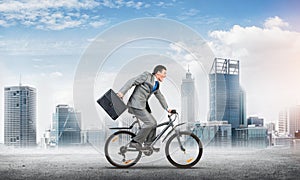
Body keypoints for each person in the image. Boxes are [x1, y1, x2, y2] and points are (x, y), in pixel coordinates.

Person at [117, 65, 173, 150]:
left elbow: (160, 97)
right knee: (150, 123)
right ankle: (135, 142)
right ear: (158, 73)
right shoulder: (147, 76)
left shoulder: (156, 84)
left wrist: (167, 108)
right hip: (136, 104)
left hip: (143, 106)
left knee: (154, 123)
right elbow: (132, 81)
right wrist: (122, 92)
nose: (165, 75)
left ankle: (148, 144)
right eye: (164, 73)